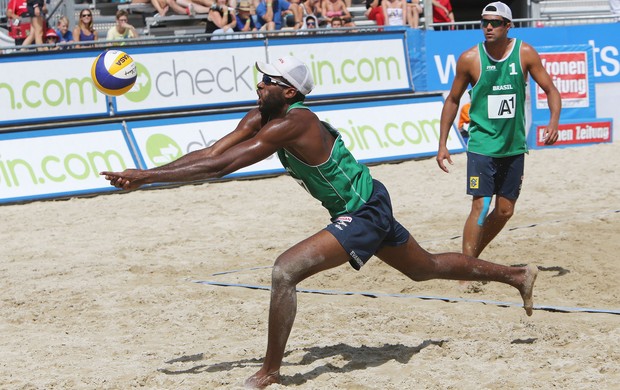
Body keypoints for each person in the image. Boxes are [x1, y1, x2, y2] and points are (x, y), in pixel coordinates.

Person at [102, 55, 539, 389]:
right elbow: (212, 154)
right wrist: (149, 172)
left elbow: (220, 170)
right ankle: (517, 275)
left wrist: (147, 179)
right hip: (367, 201)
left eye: (270, 80)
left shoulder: (293, 124)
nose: (260, 83)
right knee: (427, 268)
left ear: (289, 92)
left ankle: (270, 371)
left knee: (284, 270)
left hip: (363, 210)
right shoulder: (261, 116)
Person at [436, 2, 561, 260]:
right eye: (484, 22)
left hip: (513, 146)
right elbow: (452, 100)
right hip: (482, 145)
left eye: (494, 22)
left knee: (504, 211)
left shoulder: (525, 53)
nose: (488, 27)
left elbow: (551, 90)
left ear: (508, 26)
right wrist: (442, 144)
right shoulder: (470, 58)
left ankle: (472, 258)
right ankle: (467, 269)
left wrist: (553, 122)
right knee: (481, 207)